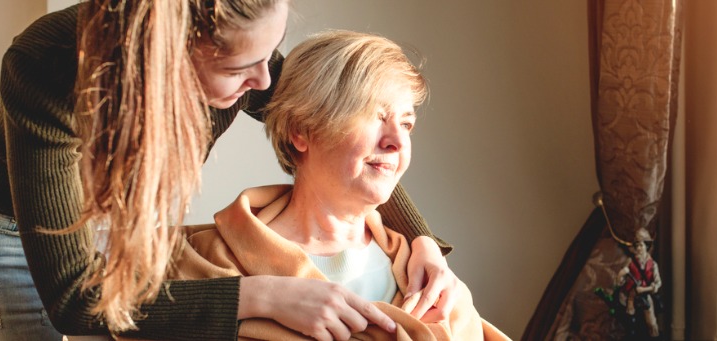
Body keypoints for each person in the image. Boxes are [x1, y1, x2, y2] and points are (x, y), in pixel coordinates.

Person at [0, 1, 458, 340]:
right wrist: (264, 295)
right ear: (173, 54)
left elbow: (328, 129)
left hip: (102, 223)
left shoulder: (247, 51)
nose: (265, 81)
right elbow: (73, 298)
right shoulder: (48, 66)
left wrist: (422, 240)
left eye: (271, 53)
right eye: (241, 68)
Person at [159, 29, 509, 340]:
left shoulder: (437, 287)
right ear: (301, 131)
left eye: (407, 124)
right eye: (372, 114)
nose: (397, 143)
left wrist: (424, 240)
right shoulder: (205, 264)